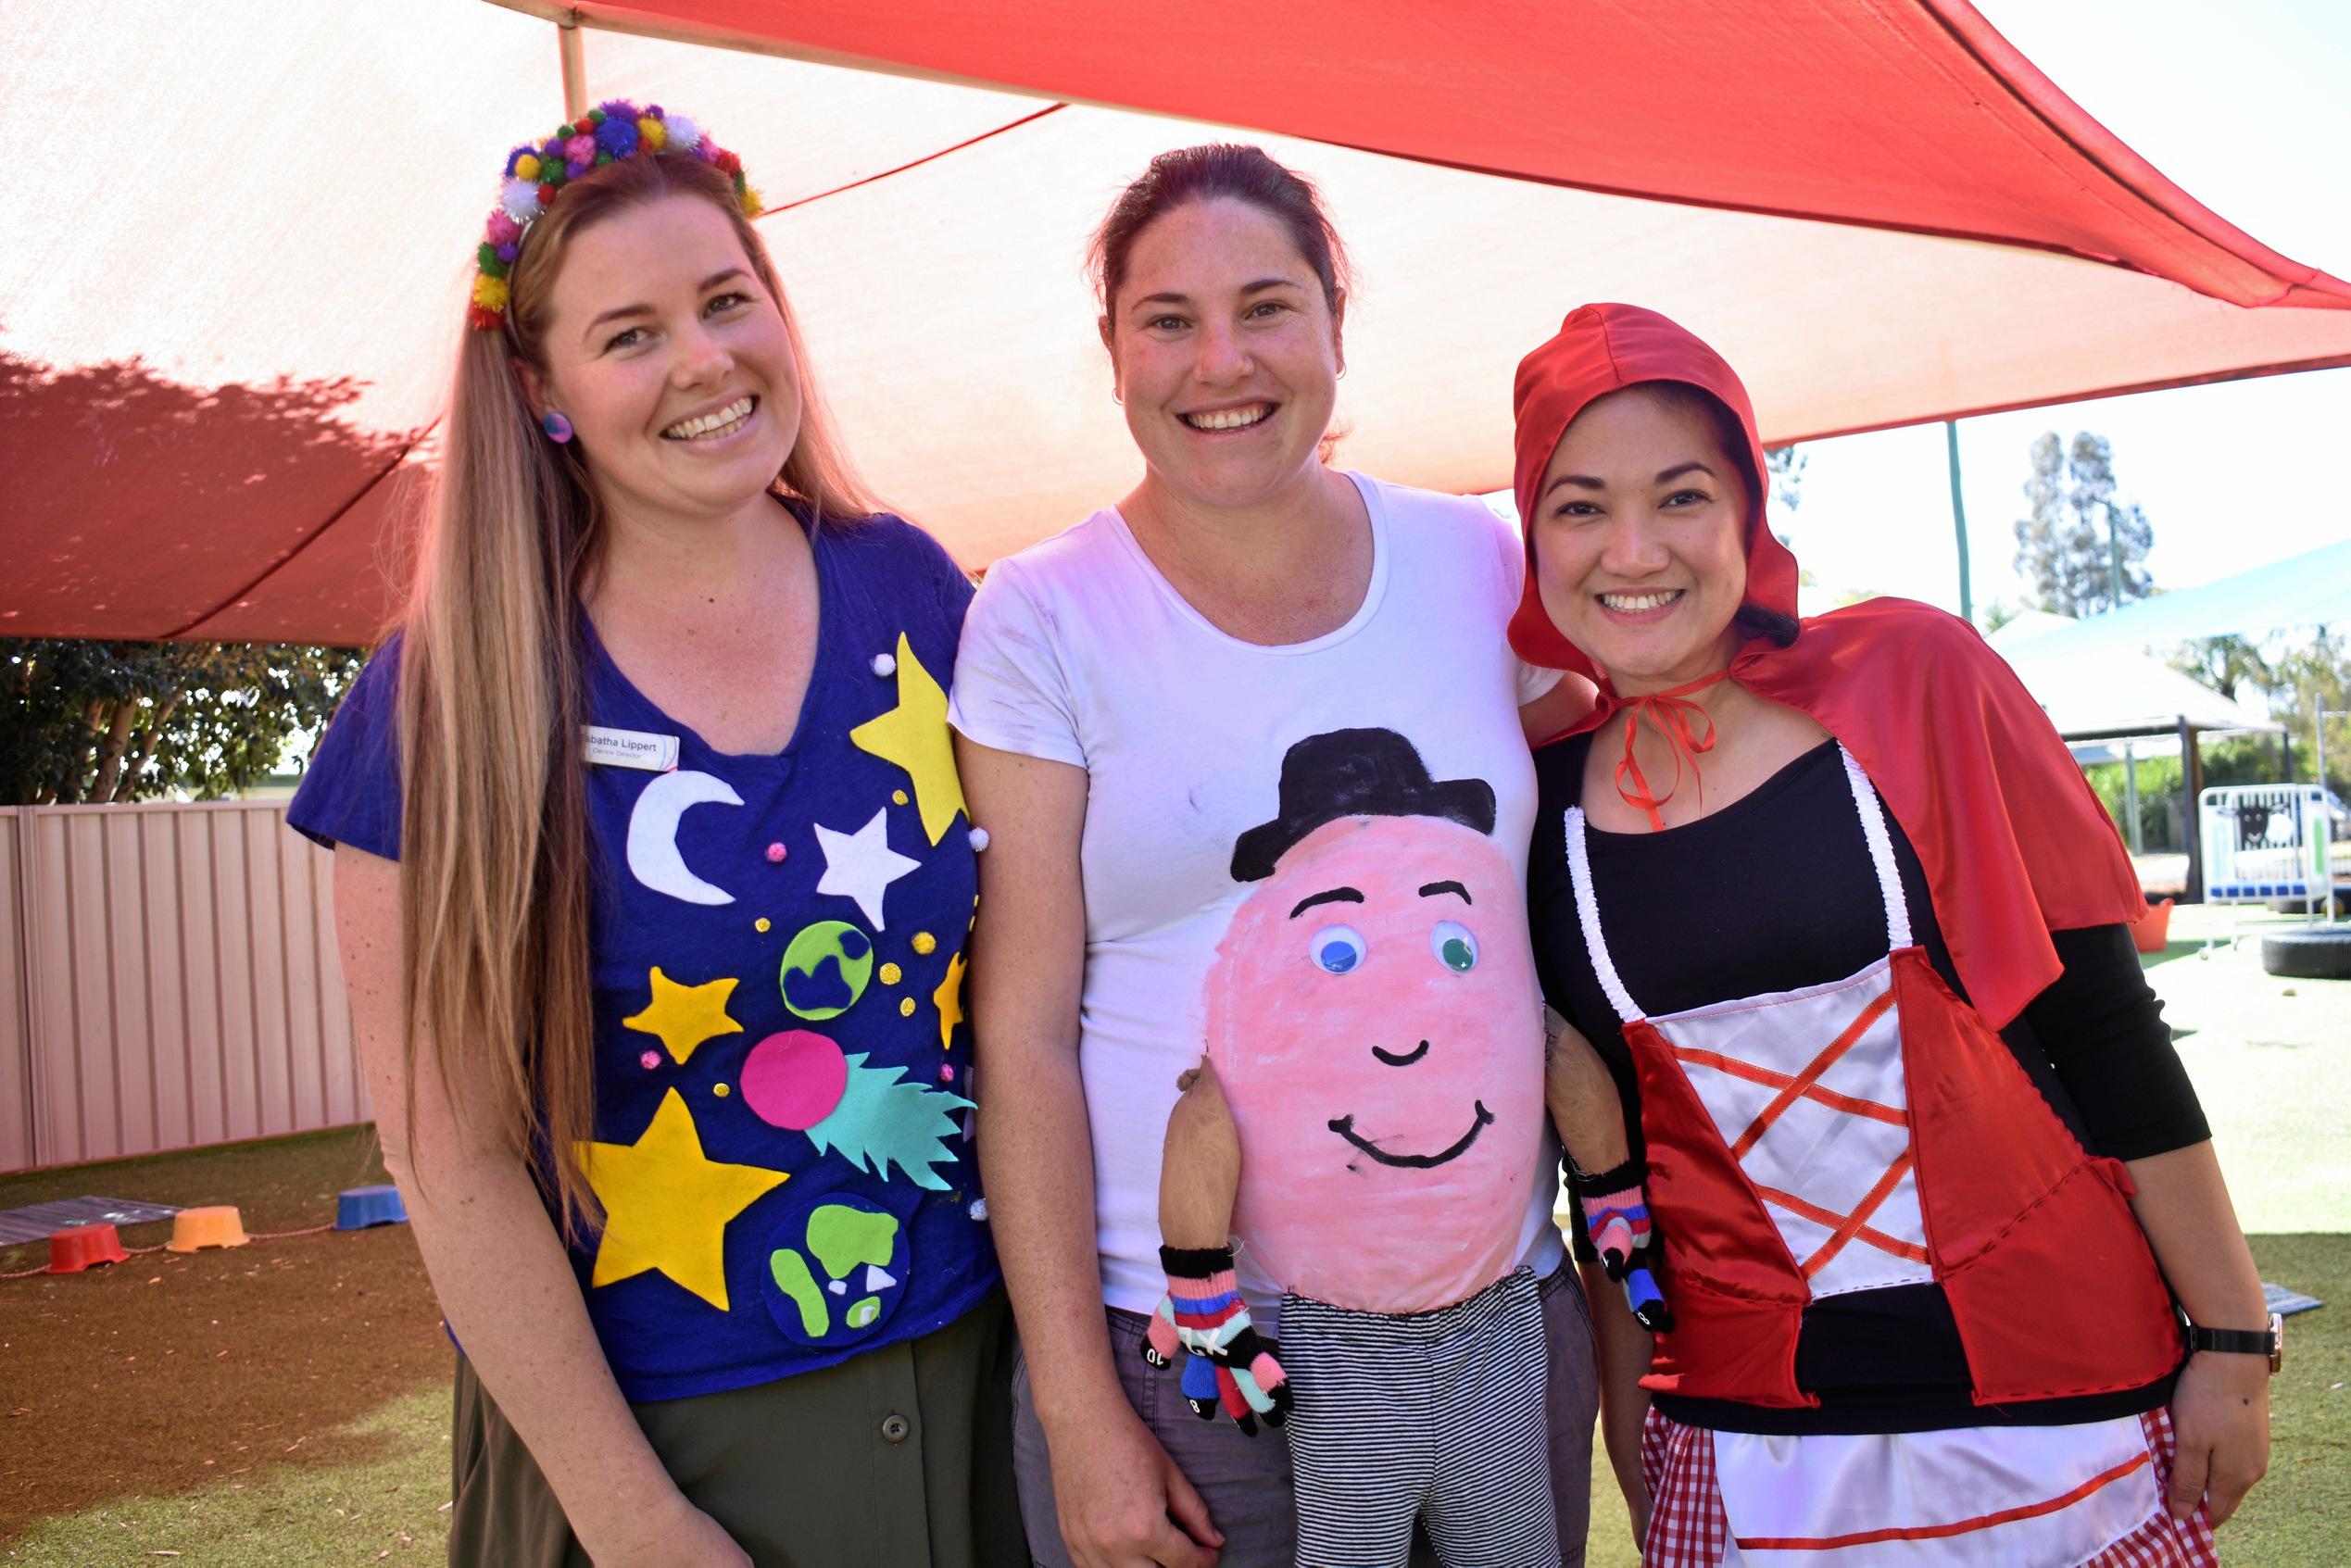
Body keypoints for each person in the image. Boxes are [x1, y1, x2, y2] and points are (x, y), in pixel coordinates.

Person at [289, 103, 1021, 1568]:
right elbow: (451, 1158)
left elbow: (1021, 991)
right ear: (542, 386)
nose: (703, 360)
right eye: (629, 333)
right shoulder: (443, 701)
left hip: (970, 1379)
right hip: (651, 1456)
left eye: (726, 299)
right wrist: (633, 1522)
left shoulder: (919, 592)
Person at [1512, 303, 2274, 1567]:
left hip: (2060, 1416)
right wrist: (1637, 1458)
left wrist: (2235, 1342)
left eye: (1681, 494)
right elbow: (1610, 1189)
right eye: (1579, 505)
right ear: (1532, 535)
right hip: (1744, 1449)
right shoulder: (1535, 808)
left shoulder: (1915, 675)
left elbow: (2100, 1021)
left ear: (1749, 511)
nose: (1631, 548)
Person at [949, 144, 1599, 1568]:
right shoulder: (1040, 616)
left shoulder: (1478, 563)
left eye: (1265, 307)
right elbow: (1025, 1033)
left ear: (1333, 326)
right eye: (1166, 319)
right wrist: (1075, 1407)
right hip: (1192, 1356)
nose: (1218, 361)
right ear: (1111, 351)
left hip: (1497, 1322)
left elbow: (1615, 803)